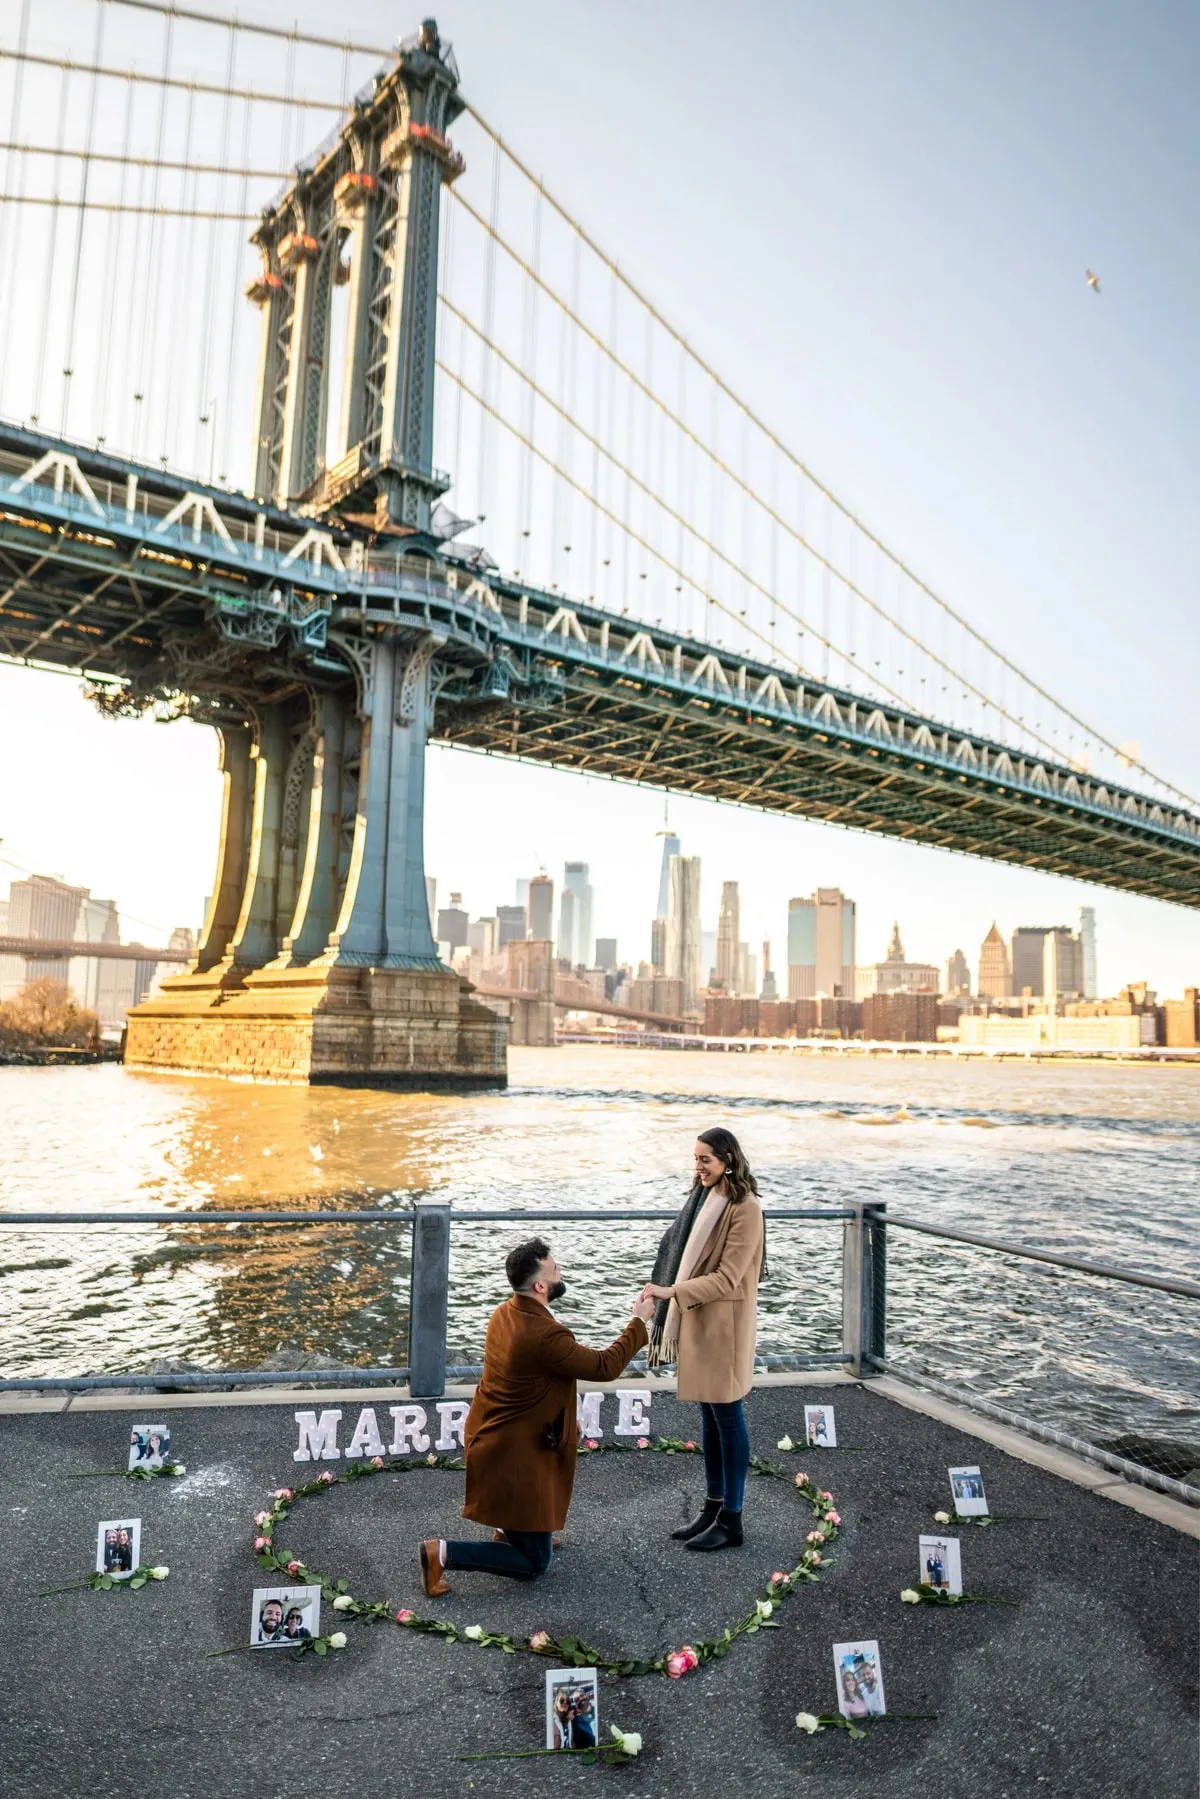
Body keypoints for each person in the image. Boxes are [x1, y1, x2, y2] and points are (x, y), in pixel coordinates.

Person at [419, 1239, 654, 1595]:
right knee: (534, 1565)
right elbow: (605, 1366)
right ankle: (443, 1553)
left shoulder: (505, 1312)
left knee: (536, 1530)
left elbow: (538, 1379)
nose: (561, 1272)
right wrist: (638, 1321)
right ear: (541, 1286)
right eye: (555, 1269)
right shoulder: (545, 1335)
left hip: (492, 1433)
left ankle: (511, 1529)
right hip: (513, 1453)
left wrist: (565, 1410)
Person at [641, 1126, 766, 1552]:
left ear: (728, 1159)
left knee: (728, 1419)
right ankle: (713, 1508)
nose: (697, 1167)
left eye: (705, 1160)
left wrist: (672, 1292)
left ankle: (733, 1519)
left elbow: (729, 1277)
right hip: (702, 1322)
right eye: (695, 1159)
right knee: (711, 1419)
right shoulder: (704, 1200)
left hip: (724, 1329)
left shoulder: (744, 1209)